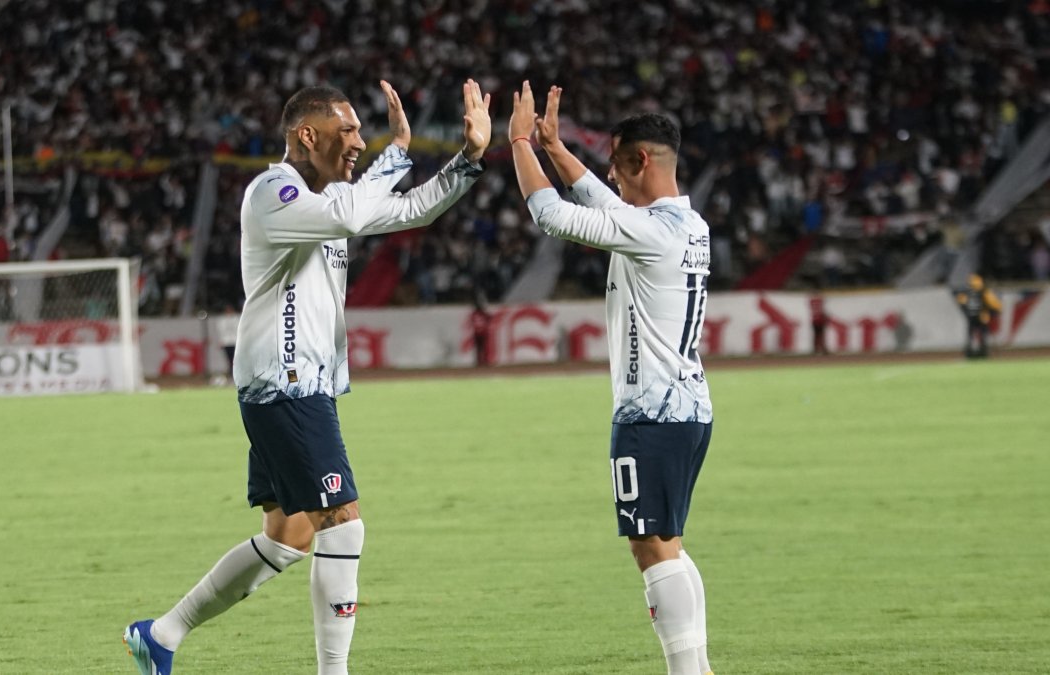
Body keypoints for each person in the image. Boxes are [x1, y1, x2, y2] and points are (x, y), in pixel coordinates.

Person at [123, 78, 492, 675]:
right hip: (284, 381)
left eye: (362, 132)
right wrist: (397, 153)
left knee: (287, 536)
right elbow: (351, 212)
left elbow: (411, 209)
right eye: (348, 130)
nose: (359, 142)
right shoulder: (275, 190)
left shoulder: (331, 200)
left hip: (299, 383)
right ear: (307, 135)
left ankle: (161, 634)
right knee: (343, 524)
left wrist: (469, 157)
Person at [508, 82, 715, 675]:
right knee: (667, 542)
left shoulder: (649, 232)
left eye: (617, 163)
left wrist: (520, 143)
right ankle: (698, 668)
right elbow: (605, 202)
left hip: (650, 414)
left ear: (641, 160)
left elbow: (551, 214)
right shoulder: (688, 224)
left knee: (650, 546)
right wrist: (554, 147)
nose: (610, 174)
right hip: (690, 408)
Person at [955, 273, 1002, 358]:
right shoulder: (983, 291)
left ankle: (972, 352)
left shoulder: (969, 292)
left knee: (972, 335)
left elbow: (961, 301)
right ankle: (980, 351)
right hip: (980, 317)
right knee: (980, 335)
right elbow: (994, 303)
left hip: (975, 317)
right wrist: (996, 309)